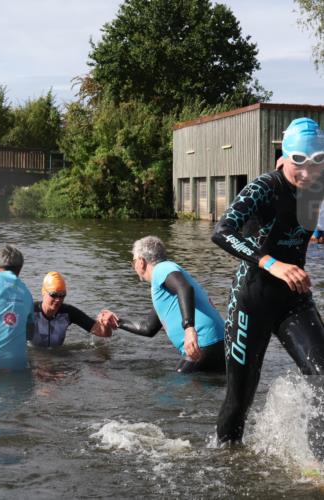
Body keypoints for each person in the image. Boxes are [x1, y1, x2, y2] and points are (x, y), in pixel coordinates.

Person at [211, 117, 324, 445]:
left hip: (294, 299)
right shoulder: (266, 187)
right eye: (298, 163)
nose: (307, 173)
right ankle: (226, 462)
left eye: (317, 162)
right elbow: (221, 231)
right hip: (252, 298)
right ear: (283, 158)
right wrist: (271, 264)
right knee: (238, 401)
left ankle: (316, 461)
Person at [114, 236, 225, 373]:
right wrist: (117, 322)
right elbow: (148, 328)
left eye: (133, 261)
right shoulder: (163, 287)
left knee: (176, 387)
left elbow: (184, 288)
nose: (133, 266)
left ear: (141, 262)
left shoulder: (162, 268)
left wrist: (189, 329)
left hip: (204, 341)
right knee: (200, 390)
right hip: (217, 342)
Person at [28, 271, 114, 348]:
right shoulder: (30, 311)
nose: (58, 299)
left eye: (62, 295)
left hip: (58, 358)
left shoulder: (68, 313)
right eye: (54, 294)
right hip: (36, 357)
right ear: (43, 292)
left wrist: (106, 324)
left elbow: (104, 334)